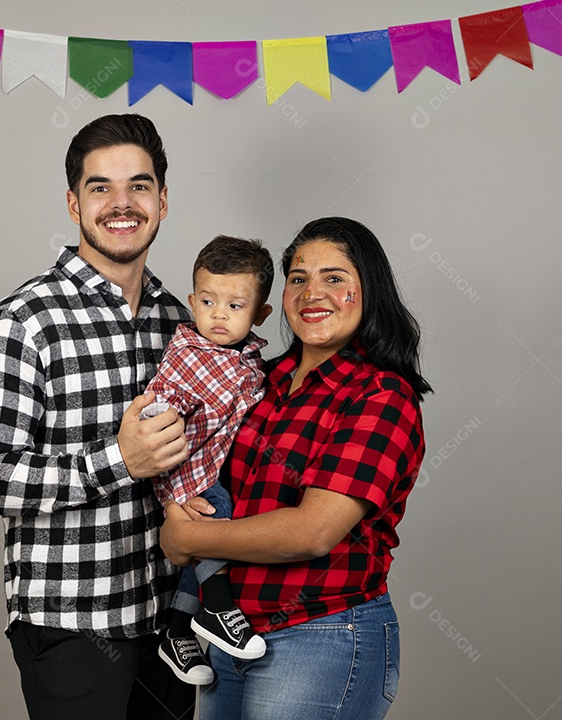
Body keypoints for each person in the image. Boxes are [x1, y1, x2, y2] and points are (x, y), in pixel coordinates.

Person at [0, 114, 198, 720]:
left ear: (163, 200)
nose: (122, 204)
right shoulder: (23, 321)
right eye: (101, 188)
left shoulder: (184, 324)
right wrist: (118, 461)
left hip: (172, 625)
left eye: (139, 186)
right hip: (73, 622)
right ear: (73, 203)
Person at [161, 217, 432, 720]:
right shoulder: (260, 381)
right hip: (229, 635)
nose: (313, 292)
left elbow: (313, 531)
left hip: (320, 633)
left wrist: (187, 540)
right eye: (299, 278)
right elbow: (204, 467)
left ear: (368, 290)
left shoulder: (380, 396)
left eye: (335, 278)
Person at [143, 236, 274, 686]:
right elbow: (161, 403)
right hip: (185, 468)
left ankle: (177, 633)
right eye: (207, 301)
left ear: (259, 316)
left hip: (215, 467)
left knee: (201, 547)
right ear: (192, 300)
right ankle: (218, 608)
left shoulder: (250, 360)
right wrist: (160, 419)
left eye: (235, 305)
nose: (218, 314)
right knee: (216, 525)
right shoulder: (190, 352)